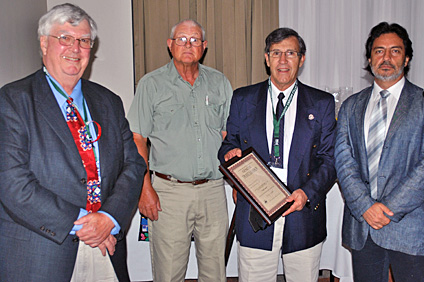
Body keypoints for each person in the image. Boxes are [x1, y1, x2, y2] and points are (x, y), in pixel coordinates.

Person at [0, 3, 146, 282]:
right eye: (64, 38)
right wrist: (83, 223)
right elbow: (12, 182)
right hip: (41, 252)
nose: (75, 48)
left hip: (107, 247)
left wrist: (109, 219)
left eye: (84, 41)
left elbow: (133, 165)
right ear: (44, 44)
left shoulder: (108, 101)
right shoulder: (12, 100)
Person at [218, 27, 336, 282]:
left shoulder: (322, 103)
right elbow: (229, 144)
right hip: (255, 213)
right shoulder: (243, 98)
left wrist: (307, 193)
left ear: (301, 59)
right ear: (266, 58)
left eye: (290, 53)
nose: (283, 60)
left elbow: (330, 160)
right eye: (276, 53)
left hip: (302, 211)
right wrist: (230, 155)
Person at [127, 19, 232, 282]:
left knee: (215, 271)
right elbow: (137, 137)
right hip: (168, 193)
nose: (188, 44)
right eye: (181, 39)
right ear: (170, 45)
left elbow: (229, 135)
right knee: (169, 272)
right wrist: (144, 187)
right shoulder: (151, 84)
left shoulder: (219, 82)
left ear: (204, 46)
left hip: (212, 191)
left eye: (195, 40)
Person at [335, 22, 424, 282]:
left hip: (409, 227)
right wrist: (365, 207)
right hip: (363, 227)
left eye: (395, 51)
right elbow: (343, 160)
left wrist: (387, 209)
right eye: (378, 51)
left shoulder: (421, 103)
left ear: (407, 58)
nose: (386, 58)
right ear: (369, 57)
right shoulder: (351, 106)